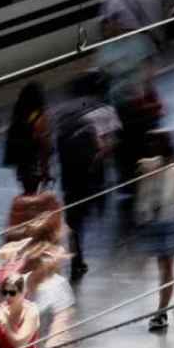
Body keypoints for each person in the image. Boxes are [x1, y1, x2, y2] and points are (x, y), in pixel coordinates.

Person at [55, 71, 122, 278]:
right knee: (88, 206)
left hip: (69, 175)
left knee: (75, 221)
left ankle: (77, 258)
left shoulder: (63, 112)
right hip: (92, 172)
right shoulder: (106, 110)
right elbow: (111, 143)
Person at [99, 0, 162, 185]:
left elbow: (105, 70)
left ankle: (128, 172)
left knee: (124, 135)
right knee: (137, 135)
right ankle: (140, 170)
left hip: (120, 100)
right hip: (137, 96)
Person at [135, 130, 174, 332]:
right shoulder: (148, 166)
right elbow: (143, 167)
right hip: (155, 221)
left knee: (167, 268)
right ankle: (165, 303)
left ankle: (162, 311)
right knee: (163, 269)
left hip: (169, 221)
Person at [3, 81, 54, 194]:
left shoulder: (18, 115)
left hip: (22, 163)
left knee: (29, 192)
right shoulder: (39, 118)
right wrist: (46, 170)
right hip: (34, 163)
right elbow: (45, 145)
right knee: (37, 195)